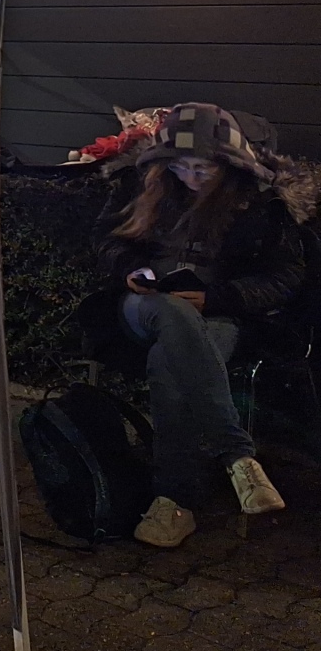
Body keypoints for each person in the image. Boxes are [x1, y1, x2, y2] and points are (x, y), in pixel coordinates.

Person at [96, 103, 299, 547]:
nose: (190, 178)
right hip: (145, 307)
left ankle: (174, 501)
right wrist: (129, 271)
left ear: (228, 164)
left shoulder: (260, 205)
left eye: (203, 169)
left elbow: (284, 277)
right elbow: (107, 244)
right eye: (180, 167)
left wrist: (218, 297)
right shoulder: (146, 187)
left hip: (220, 315)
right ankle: (238, 457)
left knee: (171, 364)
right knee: (172, 313)